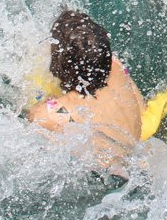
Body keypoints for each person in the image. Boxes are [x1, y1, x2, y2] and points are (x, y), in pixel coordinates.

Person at [26, 10, 145, 172]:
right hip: (138, 161)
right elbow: (142, 109)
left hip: (108, 179)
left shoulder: (50, 114)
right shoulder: (116, 65)